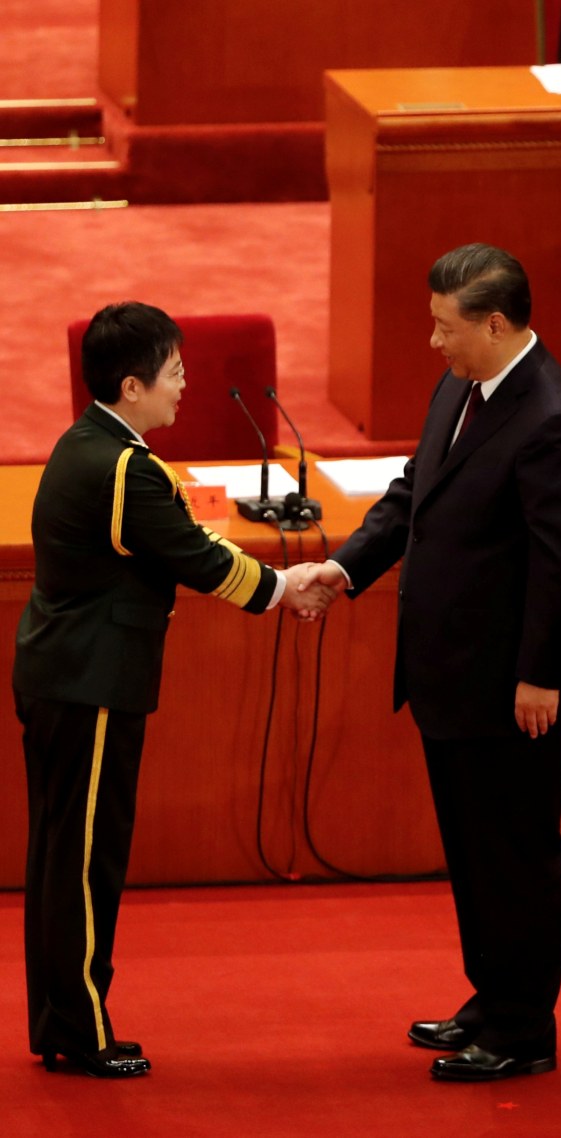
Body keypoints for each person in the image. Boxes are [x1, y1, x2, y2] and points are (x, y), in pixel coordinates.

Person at [300, 244, 561, 1082]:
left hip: (514, 690)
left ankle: (523, 1029)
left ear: (496, 322)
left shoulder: (553, 417)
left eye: (445, 327)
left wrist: (539, 674)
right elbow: (412, 493)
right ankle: (492, 995)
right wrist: (349, 566)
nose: (432, 341)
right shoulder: (463, 386)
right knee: (474, 851)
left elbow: (559, 559)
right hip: (451, 675)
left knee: (514, 854)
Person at [13, 301, 332, 1079]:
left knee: (63, 855)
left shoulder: (87, 442)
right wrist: (282, 586)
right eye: (174, 371)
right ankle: (83, 1032)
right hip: (88, 683)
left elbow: (174, 545)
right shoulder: (125, 467)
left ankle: (64, 1021)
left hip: (64, 673)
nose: (184, 384)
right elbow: (194, 555)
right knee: (85, 861)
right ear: (131, 385)